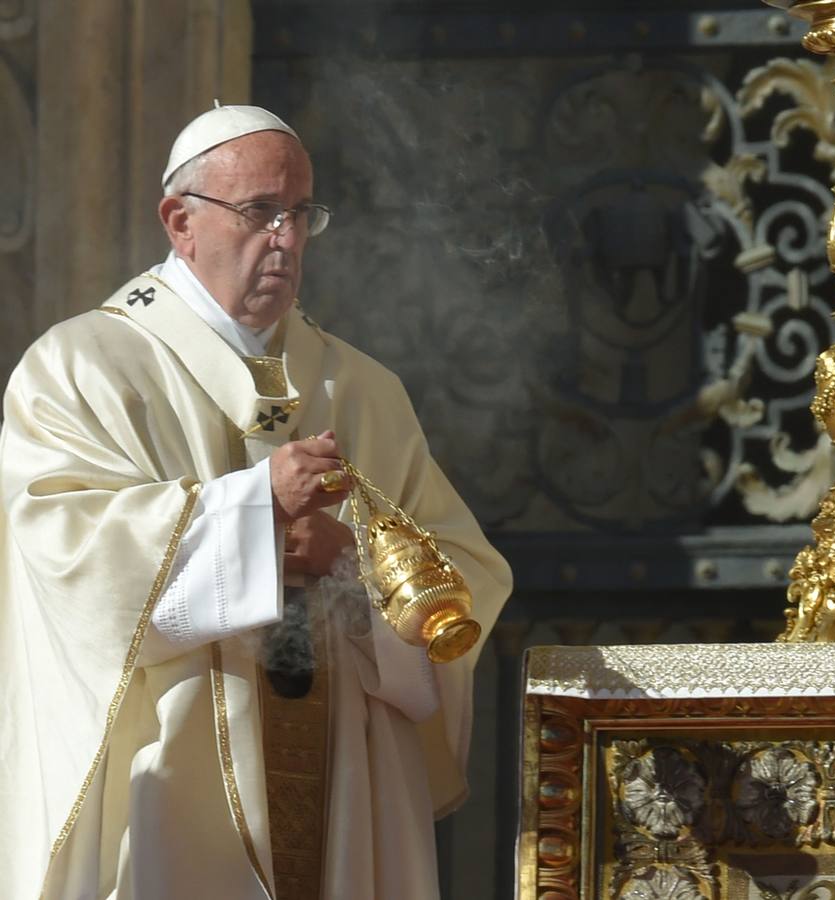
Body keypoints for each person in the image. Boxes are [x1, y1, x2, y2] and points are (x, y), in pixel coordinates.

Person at [0, 104, 512, 899]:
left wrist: (355, 566)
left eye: (301, 213)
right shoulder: (83, 368)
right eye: (259, 212)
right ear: (180, 221)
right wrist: (253, 513)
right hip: (172, 791)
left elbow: (465, 573)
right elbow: (64, 563)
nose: (286, 238)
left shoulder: (360, 388)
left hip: (345, 779)